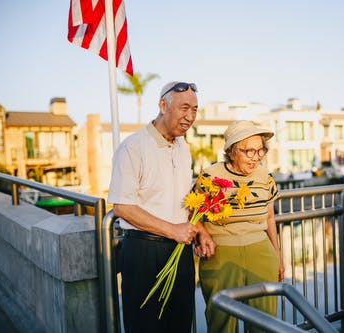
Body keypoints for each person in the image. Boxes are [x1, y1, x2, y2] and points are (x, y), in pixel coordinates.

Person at [108, 81, 215, 333]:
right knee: (145, 327)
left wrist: (200, 229)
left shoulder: (184, 148)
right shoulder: (133, 147)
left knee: (180, 324)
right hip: (143, 252)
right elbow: (123, 206)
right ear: (163, 105)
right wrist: (173, 230)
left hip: (180, 252)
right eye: (184, 108)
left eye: (195, 110)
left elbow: (182, 199)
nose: (190, 117)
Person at [194, 120, 285, 333]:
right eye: (248, 151)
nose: (256, 157)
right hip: (220, 254)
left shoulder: (266, 178)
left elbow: (270, 218)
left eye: (260, 150)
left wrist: (279, 257)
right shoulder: (210, 176)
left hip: (261, 253)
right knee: (221, 321)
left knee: (264, 323)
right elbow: (192, 213)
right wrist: (202, 234)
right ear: (232, 151)